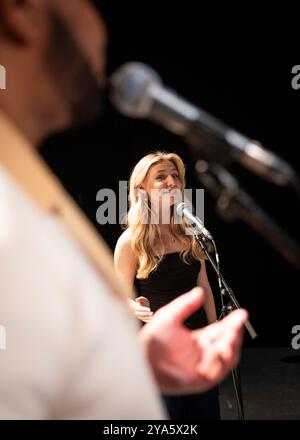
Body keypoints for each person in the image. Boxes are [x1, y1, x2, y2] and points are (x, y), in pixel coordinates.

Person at [0, 0, 248, 419]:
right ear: (20, 11)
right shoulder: (19, 221)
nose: (104, 36)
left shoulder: (29, 192)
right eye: (93, 5)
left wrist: (146, 362)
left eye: (175, 177)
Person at [114, 151, 222, 419]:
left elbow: (204, 287)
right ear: (143, 189)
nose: (171, 182)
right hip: (160, 352)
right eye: (160, 177)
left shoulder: (190, 232)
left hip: (196, 345)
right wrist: (133, 308)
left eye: (175, 176)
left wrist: (213, 332)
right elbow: (118, 299)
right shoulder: (131, 241)